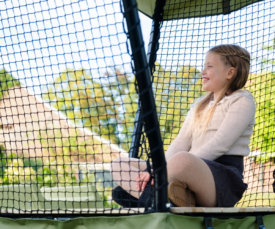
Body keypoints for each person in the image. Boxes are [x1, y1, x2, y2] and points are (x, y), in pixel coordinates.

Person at [110, 44, 255, 208]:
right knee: (119, 165)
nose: (203, 72)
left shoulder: (242, 100)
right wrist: (157, 169)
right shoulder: (200, 105)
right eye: (204, 66)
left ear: (230, 72)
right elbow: (180, 142)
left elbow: (220, 143)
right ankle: (174, 196)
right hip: (182, 168)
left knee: (181, 160)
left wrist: (160, 172)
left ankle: (149, 198)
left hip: (219, 176)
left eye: (209, 66)